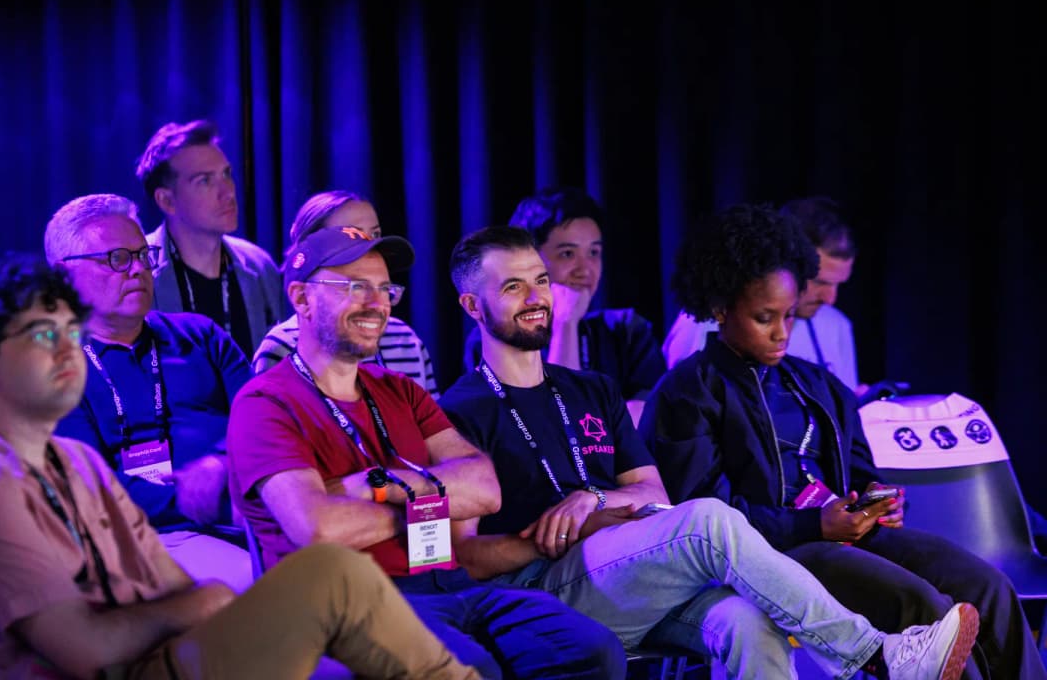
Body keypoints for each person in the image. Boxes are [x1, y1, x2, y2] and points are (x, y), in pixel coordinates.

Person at [439, 224, 979, 680]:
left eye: (539, 280)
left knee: (750, 622)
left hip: (628, 575)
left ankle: (881, 656)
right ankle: (877, 654)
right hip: (540, 590)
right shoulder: (460, 411)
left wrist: (593, 501)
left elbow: (651, 492)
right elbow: (465, 556)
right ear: (471, 305)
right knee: (707, 521)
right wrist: (565, 533)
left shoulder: (592, 389)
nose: (536, 297)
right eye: (513, 287)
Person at [0, 255, 478, 680]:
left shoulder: (77, 460)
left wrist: (205, 604)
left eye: (69, 332)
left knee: (335, 580)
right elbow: (87, 650)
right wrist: (201, 605)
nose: (66, 350)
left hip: (170, 649)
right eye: (41, 336)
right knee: (331, 585)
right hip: (129, 669)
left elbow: (173, 583)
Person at [641, 203, 1045, 680]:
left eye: (790, 316)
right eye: (764, 318)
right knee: (922, 605)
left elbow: (860, 471)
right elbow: (706, 516)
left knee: (987, 585)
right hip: (767, 556)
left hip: (841, 535)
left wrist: (880, 501)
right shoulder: (688, 392)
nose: (781, 333)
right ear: (720, 309)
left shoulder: (818, 384)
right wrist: (814, 524)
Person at [227, 225, 626, 679]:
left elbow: (484, 488)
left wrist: (374, 485)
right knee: (471, 667)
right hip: (352, 600)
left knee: (592, 650)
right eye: (355, 287)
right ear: (301, 297)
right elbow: (317, 529)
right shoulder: (266, 403)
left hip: (452, 586)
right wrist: (428, 505)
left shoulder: (401, 391)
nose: (377, 303)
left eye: (385, 289)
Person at [45, 193, 253, 591]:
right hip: (147, 536)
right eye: (117, 259)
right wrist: (197, 503)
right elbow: (90, 486)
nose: (139, 269)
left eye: (144, 255)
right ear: (63, 277)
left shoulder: (200, 335)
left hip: (246, 509)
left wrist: (220, 465)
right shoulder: (56, 368)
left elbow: (263, 422)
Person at [462, 186, 664, 426]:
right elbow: (552, 429)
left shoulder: (626, 330)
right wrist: (565, 323)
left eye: (594, 252)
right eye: (567, 254)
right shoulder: (497, 334)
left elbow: (645, 420)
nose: (585, 269)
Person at [662, 195, 865, 396]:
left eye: (838, 284)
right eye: (820, 282)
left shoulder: (837, 325)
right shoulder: (705, 323)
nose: (830, 299)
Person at [252, 189, 439, 397]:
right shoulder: (283, 347)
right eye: (351, 234)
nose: (368, 246)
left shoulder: (405, 338)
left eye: (375, 235)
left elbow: (430, 414)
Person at [136, 119, 283, 359]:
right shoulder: (138, 271)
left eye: (226, 174)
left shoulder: (259, 265)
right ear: (167, 201)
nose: (228, 192)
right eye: (205, 180)